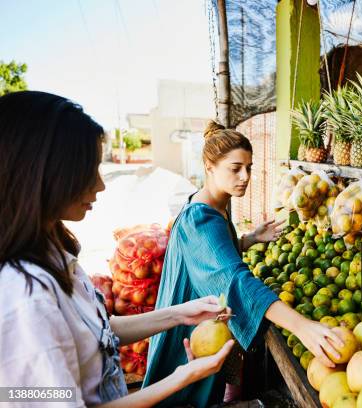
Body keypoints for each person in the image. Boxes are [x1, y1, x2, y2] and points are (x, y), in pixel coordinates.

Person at [0, 91, 236, 407]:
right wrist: (184, 376)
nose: (99, 185)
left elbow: (99, 333)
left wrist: (181, 313)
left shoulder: (53, 251)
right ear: (41, 174)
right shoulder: (24, 298)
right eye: (88, 171)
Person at [144, 121, 343, 407]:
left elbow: (212, 254)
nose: (245, 176)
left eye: (249, 167)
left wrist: (249, 239)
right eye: (235, 168)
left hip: (203, 323)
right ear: (209, 167)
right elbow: (234, 279)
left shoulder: (213, 206)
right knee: (182, 397)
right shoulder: (200, 219)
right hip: (189, 332)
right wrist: (302, 326)